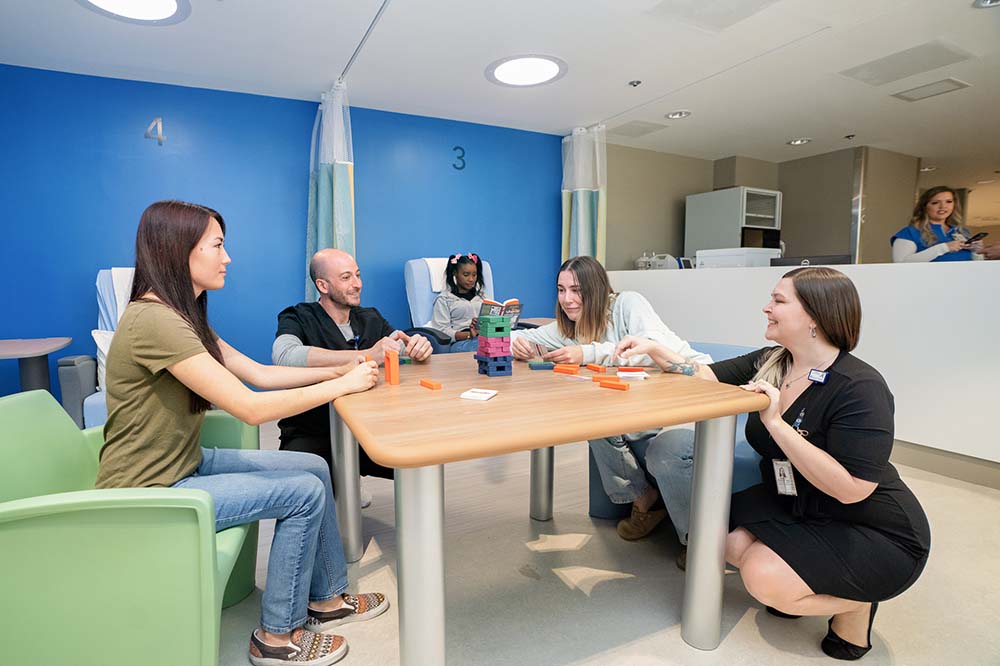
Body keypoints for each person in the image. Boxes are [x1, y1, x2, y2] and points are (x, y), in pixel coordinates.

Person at [96, 201, 389, 666]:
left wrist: (353, 363)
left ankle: (326, 600)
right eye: (217, 245)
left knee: (313, 465)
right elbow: (251, 408)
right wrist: (341, 384)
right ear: (179, 250)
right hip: (150, 488)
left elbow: (259, 372)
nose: (227, 257)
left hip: (182, 462)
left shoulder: (180, 315)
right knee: (302, 493)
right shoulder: (155, 320)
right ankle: (275, 637)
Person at [616, 266, 930, 660]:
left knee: (763, 578)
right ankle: (807, 578)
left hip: (868, 524)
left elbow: (853, 489)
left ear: (815, 315)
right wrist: (653, 349)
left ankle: (856, 604)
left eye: (779, 301)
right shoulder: (775, 361)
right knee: (720, 540)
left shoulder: (860, 387)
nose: (766, 307)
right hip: (795, 500)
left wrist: (775, 422)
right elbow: (704, 375)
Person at [509, 255, 711, 542]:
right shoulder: (569, 327)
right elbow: (522, 337)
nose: (567, 299)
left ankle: (696, 542)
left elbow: (649, 348)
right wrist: (519, 344)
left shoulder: (627, 303)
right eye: (561, 289)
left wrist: (586, 353)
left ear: (597, 289)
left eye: (577, 290)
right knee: (592, 418)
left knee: (659, 447)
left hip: (695, 386)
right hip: (646, 401)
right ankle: (644, 501)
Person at [272, 248, 433, 482]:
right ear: (323, 286)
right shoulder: (298, 316)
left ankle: (349, 478)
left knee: (422, 464)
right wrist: (365, 355)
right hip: (314, 430)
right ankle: (342, 482)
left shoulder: (370, 317)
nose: (357, 284)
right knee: (304, 488)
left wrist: (418, 348)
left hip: (369, 429)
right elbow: (284, 355)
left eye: (358, 275)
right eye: (346, 277)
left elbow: (398, 349)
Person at [891, 186, 978, 262]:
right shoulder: (910, 232)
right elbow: (901, 263)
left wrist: (978, 252)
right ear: (924, 207)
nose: (943, 206)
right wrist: (944, 248)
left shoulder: (962, 232)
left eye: (948, 201)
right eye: (935, 202)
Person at [429, 252, 485, 352]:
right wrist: (469, 334)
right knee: (486, 346)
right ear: (455, 273)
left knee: (511, 340)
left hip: (484, 338)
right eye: (466, 275)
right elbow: (442, 331)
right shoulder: (444, 299)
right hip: (460, 343)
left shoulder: (481, 297)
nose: (471, 279)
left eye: (474, 275)